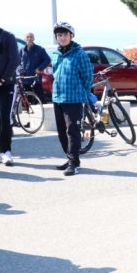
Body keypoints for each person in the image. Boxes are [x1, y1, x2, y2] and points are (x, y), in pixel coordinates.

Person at [51, 21, 93, 176]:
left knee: (72, 131)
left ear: (71, 36)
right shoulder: (55, 54)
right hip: (58, 98)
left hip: (73, 99)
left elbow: (88, 76)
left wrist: (82, 92)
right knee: (62, 131)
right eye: (59, 35)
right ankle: (69, 159)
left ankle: (75, 163)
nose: (62, 38)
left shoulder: (79, 54)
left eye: (65, 35)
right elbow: (55, 74)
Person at [0, 3, 20, 166]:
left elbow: (14, 60)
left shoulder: (7, 36)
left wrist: (0, 80)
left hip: (6, 85)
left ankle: (7, 151)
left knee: (4, 116)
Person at [18, 32, 51, 104]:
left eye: (31, 37)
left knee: (41, 99)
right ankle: (28, 114)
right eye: (27, 37)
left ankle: (46, 113)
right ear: (24, 38)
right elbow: (17, 62)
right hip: (25, 78)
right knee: (26, 100)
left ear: (34, 38)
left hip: (35, 78)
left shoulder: (40, 49)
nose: (29, 38)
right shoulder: (21, 50)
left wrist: (40, 68)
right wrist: (20, 69)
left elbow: (47, 60)